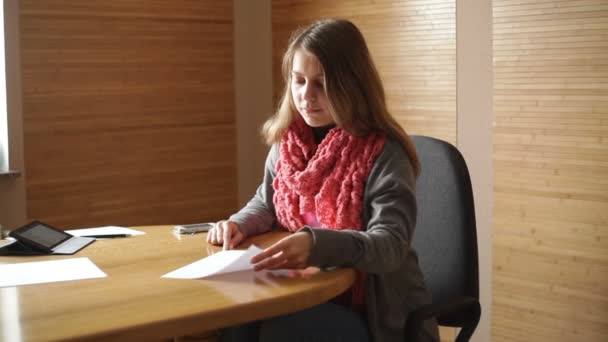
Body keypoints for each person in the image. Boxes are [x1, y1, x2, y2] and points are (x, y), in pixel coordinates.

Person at [207, 18, 439, 342]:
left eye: (322, 83)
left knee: (281, 329)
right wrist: (239, 224)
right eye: (299, 81)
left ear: (351, 85)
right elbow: (266, 202)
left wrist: (316, 244)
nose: (307, 96)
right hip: (304, 290)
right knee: (237, 318)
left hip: (374, 317)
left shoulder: (385, 153)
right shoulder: (286, 143)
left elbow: (390, 246)